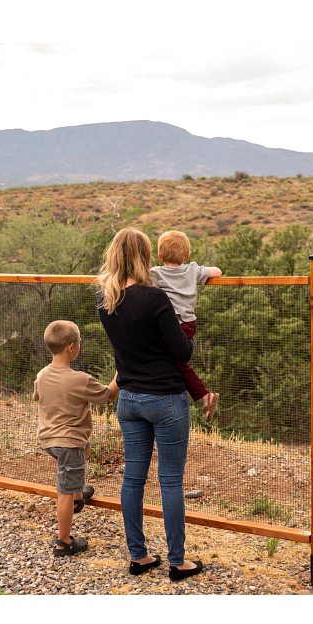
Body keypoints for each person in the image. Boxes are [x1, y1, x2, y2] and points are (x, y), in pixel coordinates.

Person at [96, 228, 205, 581]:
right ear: (145, 256)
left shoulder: (105, 298)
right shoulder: (155, 299)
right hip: (165, 400)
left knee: (133, 478)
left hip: (128, 400)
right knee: (171, 481)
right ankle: (177, 562)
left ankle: (139, 556)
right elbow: (183, 351)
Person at [33, 320, 119, 557]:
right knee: (63, 493)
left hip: (49, 439)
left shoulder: (41, 375)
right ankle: (63, 543)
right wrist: (123, 368)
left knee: (85, 446)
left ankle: (79, 494)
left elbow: (38, 396)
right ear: (71, 347)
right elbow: (109, 394)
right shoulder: (79, 379)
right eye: (79, 342)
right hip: (68, 444)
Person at [151, 230, 222, 421]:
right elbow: (217, 272)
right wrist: (199, 272)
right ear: (187, 255)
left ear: (159, 256)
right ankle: (204, 396)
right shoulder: (192, 270)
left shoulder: (156, 273)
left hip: (172, 325)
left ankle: (205, 395)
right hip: (189, 324)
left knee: (178, 363)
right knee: (178, 362)